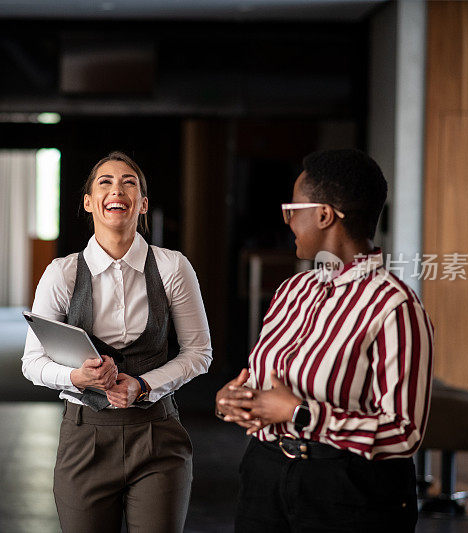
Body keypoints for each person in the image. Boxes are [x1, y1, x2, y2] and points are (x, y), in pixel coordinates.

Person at [216, 149, 433, 532]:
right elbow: (264, 383)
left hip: (348, 489)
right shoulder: (291, 290)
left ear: (323, 215)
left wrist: (300, 414)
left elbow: (405, 431)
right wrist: (233, 401)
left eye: (292, 209)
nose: (286, 220)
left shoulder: (395, 305)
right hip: (264, 473)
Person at [22, 151, 212, 532]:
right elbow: (32, 362)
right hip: (84, 437)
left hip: (157, 434)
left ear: (142, 204)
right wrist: (77, 379)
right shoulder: (62, 274)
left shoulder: (173, 266)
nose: (117, 189)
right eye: (105, 182)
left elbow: (199, 353)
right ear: (90, 202)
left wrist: (144, 385)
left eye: (129, 182)